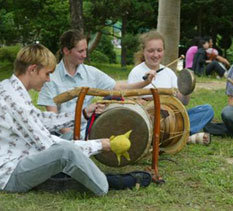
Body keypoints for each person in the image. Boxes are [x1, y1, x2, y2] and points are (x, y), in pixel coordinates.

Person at [0, 44, 151, 195]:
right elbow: (48, 145)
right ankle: (108, 183)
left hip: (23, 159)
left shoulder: (10, 88)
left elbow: (42, 120)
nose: (48, 80)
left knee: (67, 140)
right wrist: (101, 144)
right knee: (66, 152)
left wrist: (83, 113)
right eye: (47, 74)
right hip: (10, 175)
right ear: (32, 69)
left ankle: (66, 178)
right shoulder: (15, 101)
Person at [38, 29, 156, 140]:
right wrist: (74, 138)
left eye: (85, 50)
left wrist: (145, 82)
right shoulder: (50, 78)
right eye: (80, 51)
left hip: (88, 131)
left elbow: (118, 88)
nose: (85, 55)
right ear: (66, 51)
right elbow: (53, 119)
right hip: (60, 135)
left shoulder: (91, 73)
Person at [128, 30, 214, 145]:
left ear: (163, 51)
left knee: (207, 110)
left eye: (159, 50)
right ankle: (180, 136)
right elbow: (131, 103)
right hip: (149, 120)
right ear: (143, 51)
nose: (155, 55)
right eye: (151, 51)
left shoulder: (169, 72)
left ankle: (174, 135)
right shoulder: (137, 72)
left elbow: (183, 102)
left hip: (172, 120)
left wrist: (186, 88)